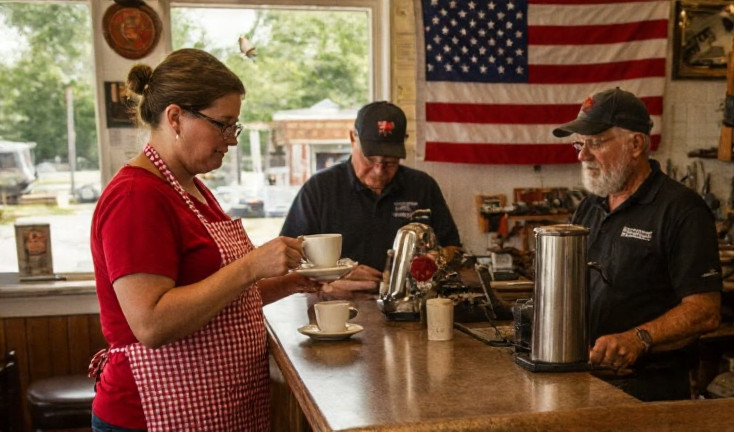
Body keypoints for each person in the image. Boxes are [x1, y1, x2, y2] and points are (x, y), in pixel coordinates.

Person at [89, 48, 315, 431]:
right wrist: (251, 266)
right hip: (154, 414)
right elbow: (152, 323)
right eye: (223, 125)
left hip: (212, 411)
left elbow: (216, 301)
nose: (231, 139)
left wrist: (294, 283)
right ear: (175, 117)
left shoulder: (190, 188)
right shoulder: (136, 196)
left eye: (235, 127)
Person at [552, 87, 722, 401]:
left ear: (636, 144)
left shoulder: (682, 210)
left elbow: (704, 311)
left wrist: (637, 339)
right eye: (579, 144)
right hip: (585, 378)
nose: (582, 156)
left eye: (596, 143)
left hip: (649, 390)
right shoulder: (588, 208)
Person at [280, 101, 462, 296]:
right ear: (352, 138)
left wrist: (435, 260)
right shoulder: (319, 189)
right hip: (335, 304)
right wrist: (329, 279)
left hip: (409, 302)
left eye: (390, 162)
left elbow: (454, 250)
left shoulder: (422, 186)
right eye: (370, 159)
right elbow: (287, 259)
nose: (379, 169)